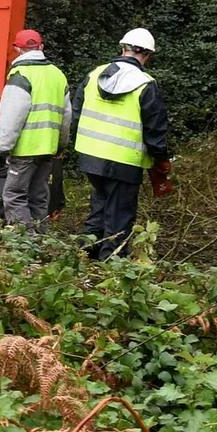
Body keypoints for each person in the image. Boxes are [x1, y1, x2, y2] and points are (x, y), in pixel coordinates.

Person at [72, 27, 173, 260]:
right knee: (119, 216)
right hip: (124, 162)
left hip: (90, 157)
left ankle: (84, 256)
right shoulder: (145, 84)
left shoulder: (95, 74)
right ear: (147, 55)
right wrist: (161, 160)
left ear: (123, 48)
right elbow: (155, 130)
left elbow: (76, 112)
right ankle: (110, 264)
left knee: (100, 206)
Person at [0, 28, 71, 230]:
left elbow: (12, 115)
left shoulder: (21, 75)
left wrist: (3, 146)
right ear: (41, 47)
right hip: (47, 148)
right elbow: (66, 116)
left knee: (14, 195)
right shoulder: (58, 75)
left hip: (24, 150)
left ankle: (26, 243)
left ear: (17, 49)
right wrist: (61, 145)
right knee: (38, 196)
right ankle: (42, 240)